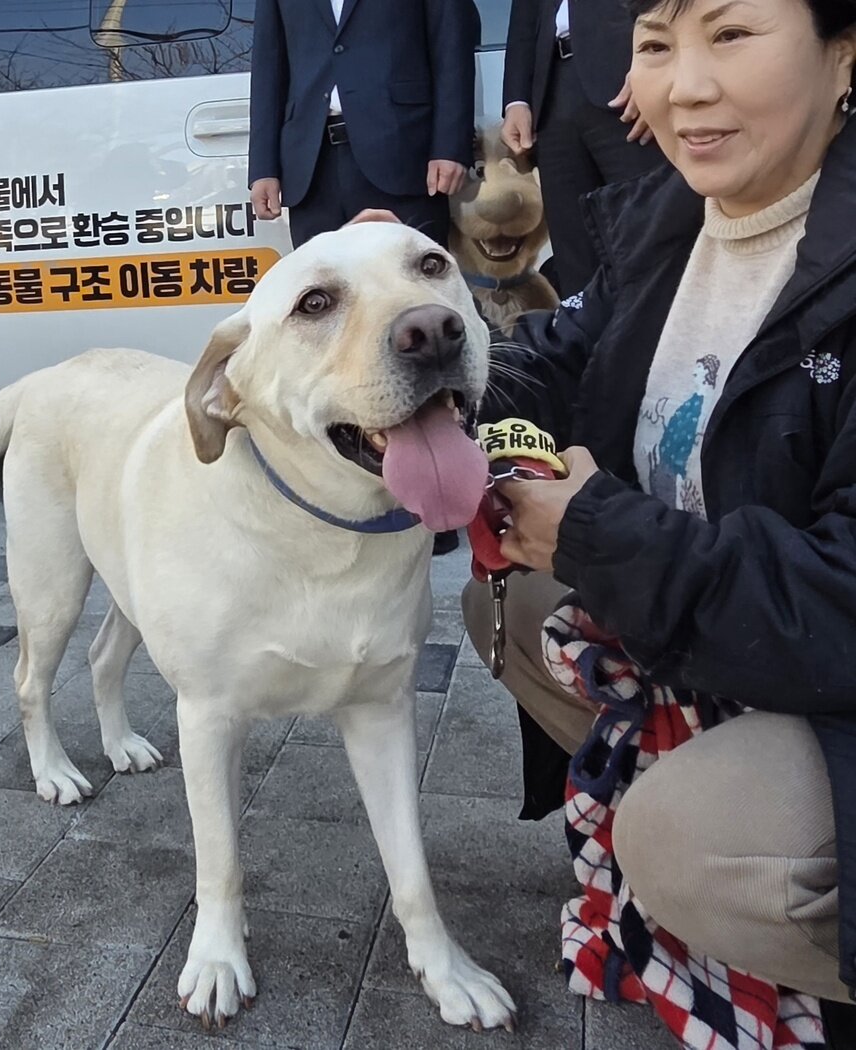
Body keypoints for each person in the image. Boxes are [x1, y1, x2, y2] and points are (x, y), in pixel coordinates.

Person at [436, 0, 856, 1027]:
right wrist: (419, 379)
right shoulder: (665, 220)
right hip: (739, 640)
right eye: (657, 46)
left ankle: (729, 871)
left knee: (684, 841)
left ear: (843, 52)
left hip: (827, 668)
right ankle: (698, 841)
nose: (685, 87)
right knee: (509, 604)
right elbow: (554, 362)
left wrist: (595, 534)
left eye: (731, 35)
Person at [248, 0, 479, 250]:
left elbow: (452, 47)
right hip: (312, 166)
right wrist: (263, 167)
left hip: (403, 154)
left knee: (409, 284)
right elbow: (268, 65)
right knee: (324, 282)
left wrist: (450, 147)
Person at [501, 0, 667, 297]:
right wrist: (516, 99)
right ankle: (589, 342)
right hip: (552, 89)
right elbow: (525, 12)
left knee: (649, 237)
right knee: (574, 253)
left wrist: (656, 59)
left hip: (626, 82)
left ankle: (662, 341)